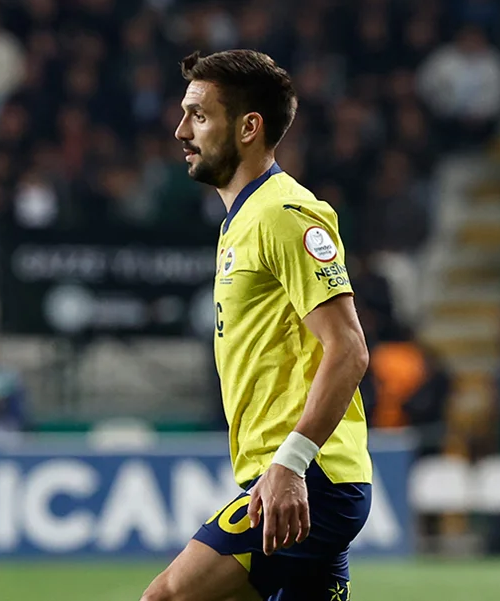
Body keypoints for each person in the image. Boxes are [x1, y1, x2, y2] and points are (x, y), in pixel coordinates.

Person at [141, 50, 372, 601]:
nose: (181, 131)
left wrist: (291, 463)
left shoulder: (282, 214)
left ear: (248, 127)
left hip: (310, 477)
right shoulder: (241, 221)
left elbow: (349, 348)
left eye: (199, 115)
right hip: (288, 478)